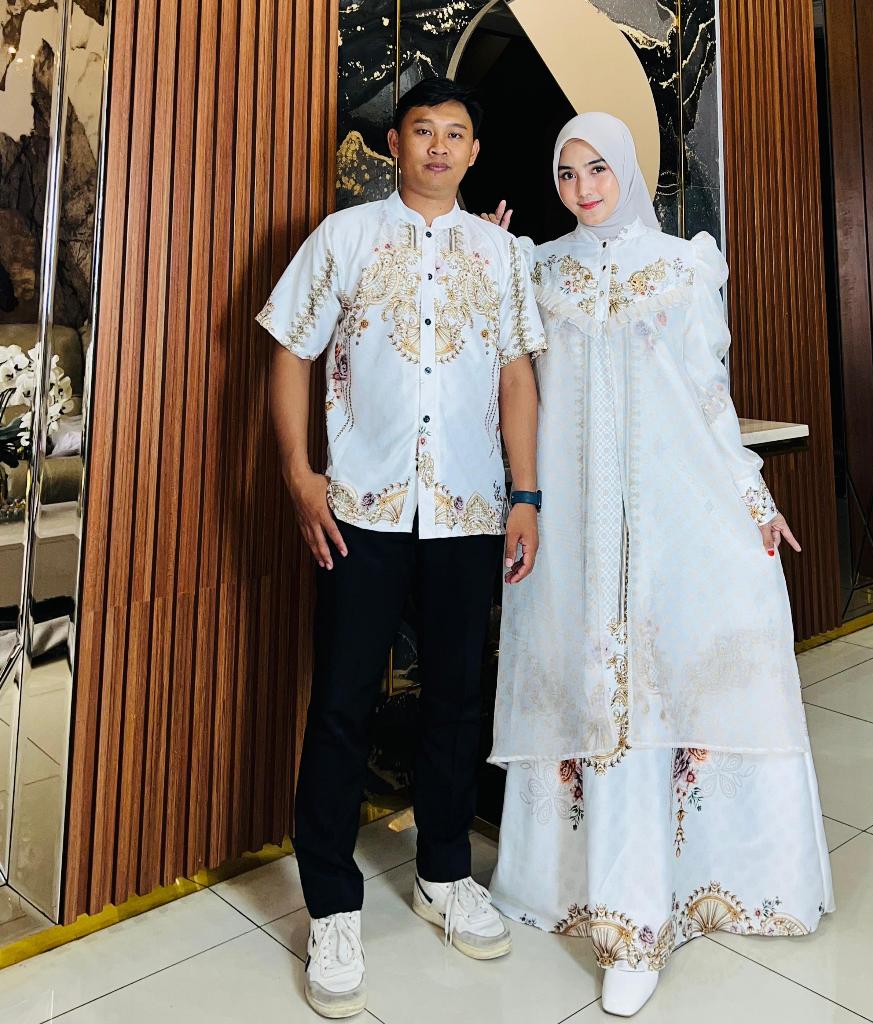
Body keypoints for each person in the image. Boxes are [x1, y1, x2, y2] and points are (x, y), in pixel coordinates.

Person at [482, 113, 834, 1018]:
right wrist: (485, 258)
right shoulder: (537, 269)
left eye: (599, 168)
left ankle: (653, 917)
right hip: (573, 527)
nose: (584, 187)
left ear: (629, 169)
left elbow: (709, 396)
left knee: (674, 676)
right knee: (588, 684)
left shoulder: (684, 265)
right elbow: (506, 382)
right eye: (567, 173)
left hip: (673, 516)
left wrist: (752, 496)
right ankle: (590, 897)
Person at [259, 77, 546, 1019]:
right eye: (423, 130)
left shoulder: (501, 256)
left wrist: (526, 494)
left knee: (458, 700)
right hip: (360, 508)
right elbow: (289, 350)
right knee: (342, 703)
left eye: (456, 133)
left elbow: (516, 377)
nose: (438, 146)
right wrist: (300, 475)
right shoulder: (343, 238)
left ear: (474, 152)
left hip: (467, 509)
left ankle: (445, 875)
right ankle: (332, 906)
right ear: (396, 144)